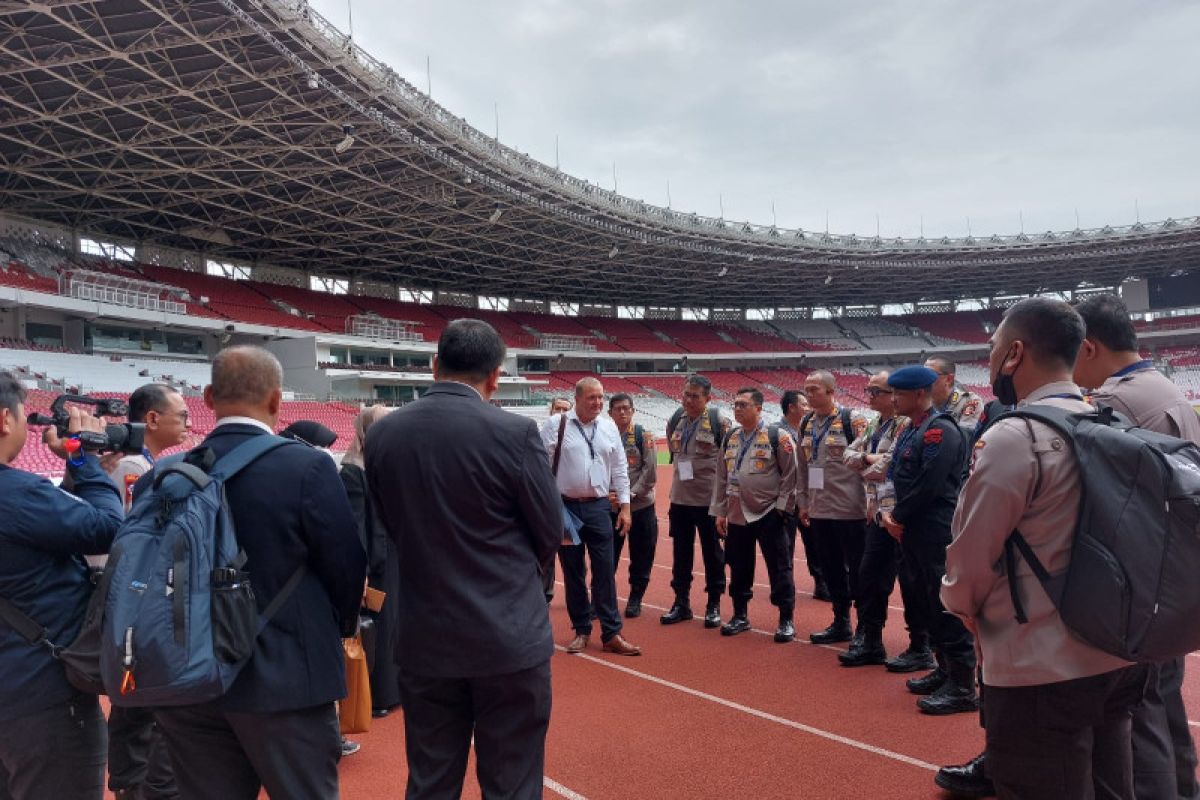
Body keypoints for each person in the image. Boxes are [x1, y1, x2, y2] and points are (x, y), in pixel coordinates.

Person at [942, 298, 1150, 799]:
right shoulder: (1111, 424)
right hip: (1118, 650)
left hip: (1040, 661)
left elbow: (971, 556)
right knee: (1111, 788)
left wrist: (960, 607)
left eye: (993, 349)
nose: (990, 360)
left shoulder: (1015, 436)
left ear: (1015, 353)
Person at [151, 347, 366, 800]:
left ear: (207, 397)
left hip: (190, 676)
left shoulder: (171, 472)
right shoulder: (306, 465)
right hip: (287, 677)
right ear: (276, 400)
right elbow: (346, 564)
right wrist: (341, 628)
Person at [366, 319, 562, 799]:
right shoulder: (515, 433)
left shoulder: (384, 435)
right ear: (495, 376)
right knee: (512, 781)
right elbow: (549, 531)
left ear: (435, 366)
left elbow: (391, 524)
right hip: (508, 635)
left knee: (431, 780)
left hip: (426, 637)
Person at [1073, 293, 1200, 800]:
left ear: (1087, 347)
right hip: (1174, 572)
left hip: (1141, 581)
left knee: (1142, 716)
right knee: (1166, 707)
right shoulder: (1164, 388)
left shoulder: (1115, 401)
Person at [0, 370, 124, 799]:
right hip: (39, 698)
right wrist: (82, 458)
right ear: (4, 421)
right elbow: (109, 527)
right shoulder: (16, 494)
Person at [104, 384, 190, 800]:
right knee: (139, 696)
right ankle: (133, 785)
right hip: (132, 597)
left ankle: (131, 783)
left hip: (131, 597)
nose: (189, 423)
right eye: (181, 415)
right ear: (152, 419)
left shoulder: (144, 463)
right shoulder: (133, 467)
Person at [880, 366, 977, 715]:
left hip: (933, 529)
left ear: (920, 394)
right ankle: (945, 669)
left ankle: (964, 685)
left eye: (899, 395)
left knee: (945, 605)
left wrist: (899, 516)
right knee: (925, 600)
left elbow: (929, 484)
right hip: (913, 529)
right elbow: (897, 473)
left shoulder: (940, 431)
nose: (893, 400)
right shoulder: (912, 429)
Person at [543, 378, 641, 656]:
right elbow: (538, 465)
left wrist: (625, 506)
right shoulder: (556, 425)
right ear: (578, 398)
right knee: (573, 572)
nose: (598, 403)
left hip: (599, 507)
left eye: (601, 398)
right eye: (592, 398)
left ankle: (612, 633)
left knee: (604, 572)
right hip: (565, 509)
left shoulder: (609, 427)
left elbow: (620, 468)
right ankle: (582, 630)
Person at [841, 371, 928, 670]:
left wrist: (866, 460)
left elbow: (887, 467)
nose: (870, 396)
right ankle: (870, 640)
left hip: (900, 516)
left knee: (911, 582)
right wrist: (870, 459)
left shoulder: (907, 425)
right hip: (875, 513)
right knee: (869, 577)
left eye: (875, 391)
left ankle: (921, 645)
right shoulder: (875, 425)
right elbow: (847, 454)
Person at [710, 388, 798, 642]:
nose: (737, 408)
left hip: (769, 512)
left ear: (759, 408)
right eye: (735, 404)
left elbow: (791, 475)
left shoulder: (777, 436)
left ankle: (785, 619)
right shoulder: (730, 437)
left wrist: (782, 508)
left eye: (744, 405)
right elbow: (721, 477)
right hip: (737, 513)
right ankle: (740, 615)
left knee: (779, 566)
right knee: (738, 566)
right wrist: (719, 512)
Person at [796, 370, 869, 644]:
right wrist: (803, 502)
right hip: (819, 508)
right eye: (806, 389)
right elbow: (803, 467)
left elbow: (867, 463)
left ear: (830, 391)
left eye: (814, 389)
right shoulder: (806, 423)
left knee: (858, 569)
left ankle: (864, 626)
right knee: (831, 568)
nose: (809, 393)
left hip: (850, 509)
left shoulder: (852, 421)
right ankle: (841, 621)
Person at [339, 406, 399, 720]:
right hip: (376, 562)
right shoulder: (353, 469)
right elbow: (355, 525)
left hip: (398, 556)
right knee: (381, 623)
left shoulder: (391, 464)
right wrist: (359, 571)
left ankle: (396, 689)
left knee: (399, 622)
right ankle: (379, 695)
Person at [661, 375, 731, 628]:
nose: (689, 400)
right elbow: (674, 449)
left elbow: (729, 461)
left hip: (708, 500)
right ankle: (681, 602)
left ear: (708, 398)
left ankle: (713, 603)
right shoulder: (675, 419)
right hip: (680, 499)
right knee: (681, 553)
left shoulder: (718, 422)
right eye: (686, 395)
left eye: (695, 396)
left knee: (712, 554)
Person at [607, 393, 657, 618]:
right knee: (607, 556)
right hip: (611, 507)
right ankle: (602, 598)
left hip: (640, 507)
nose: (623, 412)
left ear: (633, 410)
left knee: (641, 555)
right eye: (618, 409)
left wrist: (629, 495)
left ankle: (635, 598)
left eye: (627, 408)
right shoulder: (603, 436)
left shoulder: (642, 436)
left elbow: (650, 472)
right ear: (610, 413)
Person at [778, 389, 827, 601]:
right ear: (792, 407)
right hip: (788, 497)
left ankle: (821, 582)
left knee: (815, 542)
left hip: (808, 495)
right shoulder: (776, 432)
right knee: (785, 543)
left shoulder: (810, 429)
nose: (807, 408)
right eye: (803, 405)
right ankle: (785, 586)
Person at [925, 356, 984, 438]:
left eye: (930, 374)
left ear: (949, 379)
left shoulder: (969, 401)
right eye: (923, 374)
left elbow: (965, 438)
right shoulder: (920, 402)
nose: (924, 379)